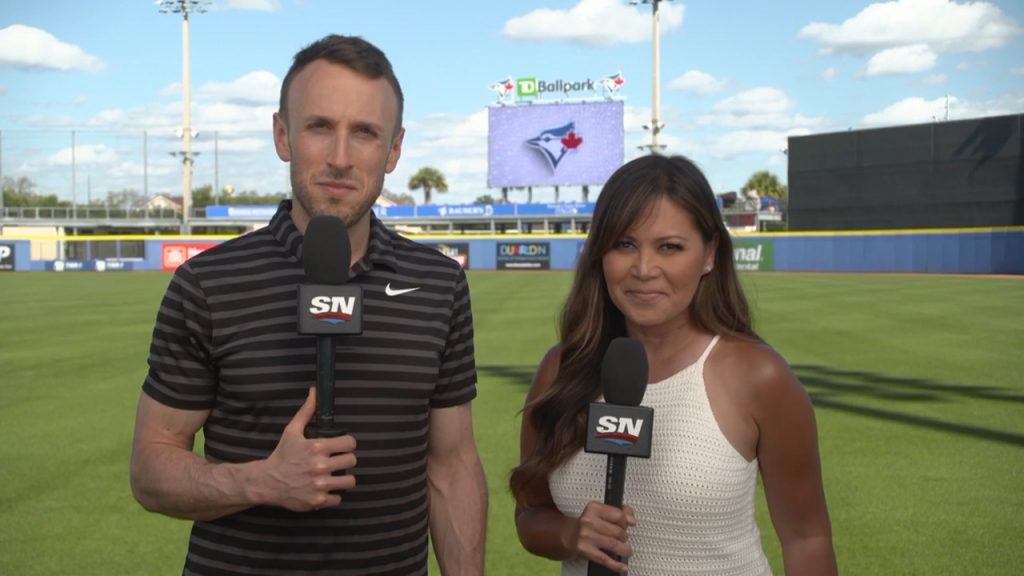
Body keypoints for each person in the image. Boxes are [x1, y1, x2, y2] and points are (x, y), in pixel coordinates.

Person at [130, 34, 487, 576]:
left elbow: (452, 463)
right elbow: (151, 468)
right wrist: (260, 480)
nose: (340, 158)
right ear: (282, 134)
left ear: (394, 149)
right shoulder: (207, 283)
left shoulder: (438, 284)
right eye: (320, 126)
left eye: (365, 133)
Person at [510, 154, 836, 575]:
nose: (645, 269)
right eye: (624, 244)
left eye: (670, 247)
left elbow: (807, 539)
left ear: (709, 253)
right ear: (600, 254)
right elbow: (530, 514)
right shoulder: (561, 369)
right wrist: (571, 534)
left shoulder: (759, 376)